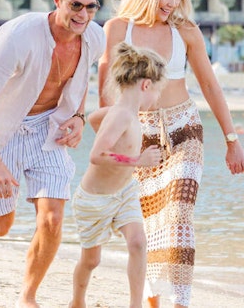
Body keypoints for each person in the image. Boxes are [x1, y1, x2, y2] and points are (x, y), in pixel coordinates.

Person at [94, 0, 244, 308]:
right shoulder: (117, 29)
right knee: (148, 224)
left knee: (178, 215)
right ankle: (153, 297)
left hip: (184, 131)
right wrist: (111, 142)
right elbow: (106, 91)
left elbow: (210, 85)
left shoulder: (186, 32)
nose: (171, 3)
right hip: (137, 136)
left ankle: (180, 301)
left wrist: (232, 140)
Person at [0, 0, 106, 308]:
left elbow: (81, 79)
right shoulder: (19, 35)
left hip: (47, 131)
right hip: (1, 133)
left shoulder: (94, 37)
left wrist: (79, 116)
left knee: (52, 219)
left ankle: (28, 296)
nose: (83, 14)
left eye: (91, 6)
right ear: (57, 0)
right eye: (76, 5)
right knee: (0, 224)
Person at [69, 42, 167, 308]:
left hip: (124, 193)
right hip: (95, 200)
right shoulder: (121, 115)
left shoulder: (122, 113)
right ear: (146, 85)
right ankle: (77, 301)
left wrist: (116, 146)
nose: (156, 99)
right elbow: (96, 155)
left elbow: (93, 118)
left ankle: (136, 305)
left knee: (138, 243)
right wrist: (138, 160)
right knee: (91, 260)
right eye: (157, 91)